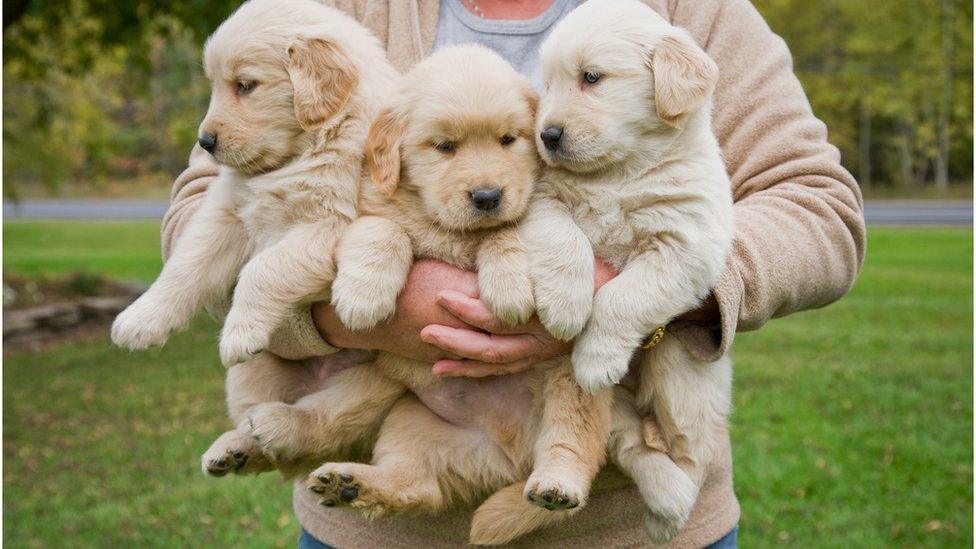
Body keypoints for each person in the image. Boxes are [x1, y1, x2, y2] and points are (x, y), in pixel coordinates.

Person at [162, 0, 866, 547]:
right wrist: (335, 311)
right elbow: (203, 207)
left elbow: (817, 203)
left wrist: (651, 289)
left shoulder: (693, 12)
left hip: (638, 530)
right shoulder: (323, 12)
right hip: (380, 529)